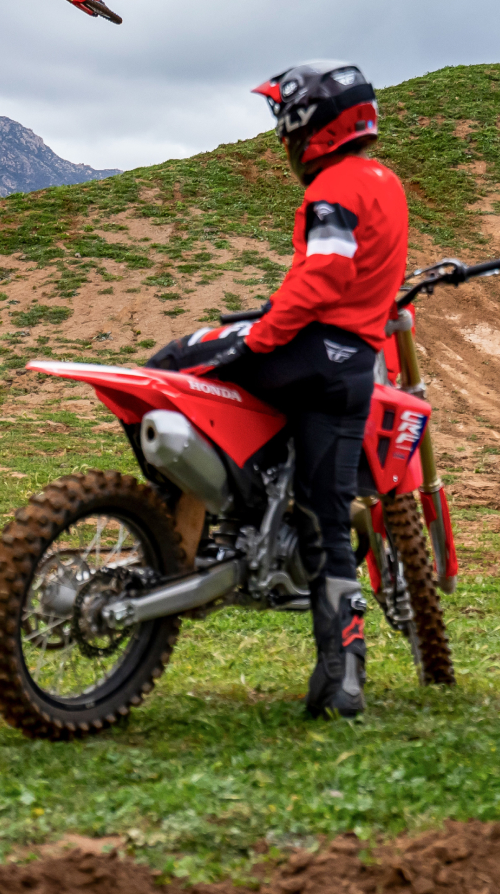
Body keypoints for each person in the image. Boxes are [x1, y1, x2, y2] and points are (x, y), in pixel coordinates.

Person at [149, 60, 407, 720]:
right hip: (354, 366)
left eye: (284, 125)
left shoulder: (335, 188)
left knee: (169, 364)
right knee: (329, 517)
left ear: (308, 126)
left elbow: (323, 274)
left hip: (307, 351)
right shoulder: (387, 182)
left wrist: (259, 337)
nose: (282, 141)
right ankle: (343, 679)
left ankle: (183, 532)